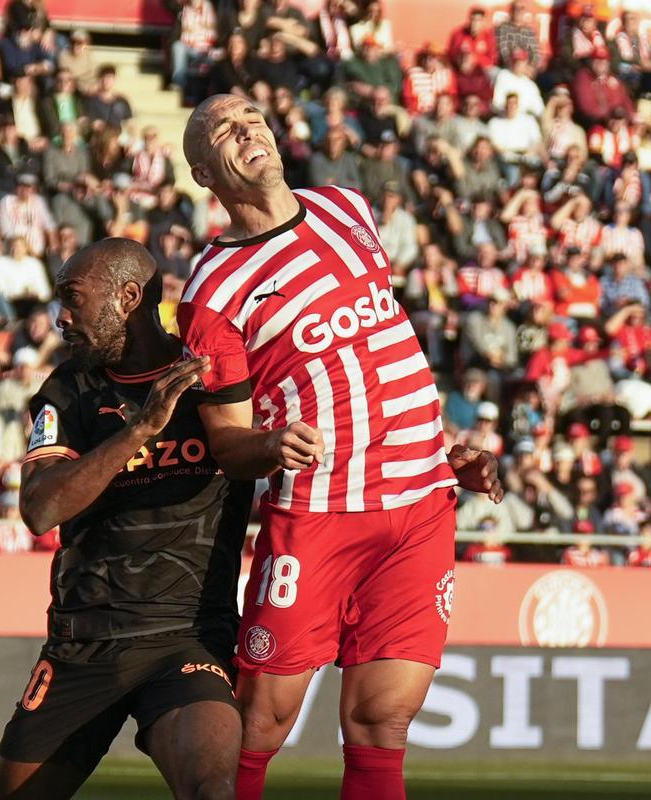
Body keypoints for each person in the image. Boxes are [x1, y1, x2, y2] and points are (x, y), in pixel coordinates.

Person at [179, 93, 504, 799]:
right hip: (321, 514)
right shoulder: (212, 291)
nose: (246, 132)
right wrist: (271, 445)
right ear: (205, 175)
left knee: (384, 723)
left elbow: (373, 350)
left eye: (252, 119)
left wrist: (442, 448)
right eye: (223, 133)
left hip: (421, 505)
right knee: (258, 722)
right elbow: (229, 445)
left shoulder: (344, 208)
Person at [0, 238, 255, 800]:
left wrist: (433, 460)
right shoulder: (67, 391)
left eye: (73, 299)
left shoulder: (213, 378)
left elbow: (313, 435)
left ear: (127, 297)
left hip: (187, 639)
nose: (61, 316)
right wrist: (138, 431)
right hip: (84, 643)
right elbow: (40, 509)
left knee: (213, 791)